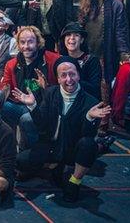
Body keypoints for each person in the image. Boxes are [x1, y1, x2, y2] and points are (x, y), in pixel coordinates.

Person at [12, 57, 112, 202]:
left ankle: (74, 181)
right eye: (63, 75)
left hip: (71, 149)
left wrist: (89, 117)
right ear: (58, 79)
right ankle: (54, 167)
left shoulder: (91, 102)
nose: (68, 79)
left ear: (78, 75)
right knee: (21, 161)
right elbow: (41, 125)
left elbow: (87, 136)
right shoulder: (51, 93)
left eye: (72, 74)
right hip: (51, 146)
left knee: (89, 145)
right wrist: (33, 106)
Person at [78, 0, 130, 132]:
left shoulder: (115, 4)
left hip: (105, 52)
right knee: (85, 84)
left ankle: (105, 120)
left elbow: (121, 31)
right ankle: (86, 116)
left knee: (104, 86)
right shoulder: (87, 3)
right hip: (87, 50)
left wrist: (125, 53)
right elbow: (80, 26)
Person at [0, 26, 59, 145]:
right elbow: (4, 87)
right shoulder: (12, 64)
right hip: (20, 104)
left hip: (43, 107)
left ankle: (32, 151)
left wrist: (45, 87)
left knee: (26, 119)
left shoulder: (52, 60)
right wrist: (0, 95)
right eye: (22, 42)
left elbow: (61, 91)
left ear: (38, 43)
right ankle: (9, 147)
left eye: (30, 42)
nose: (26, 46)